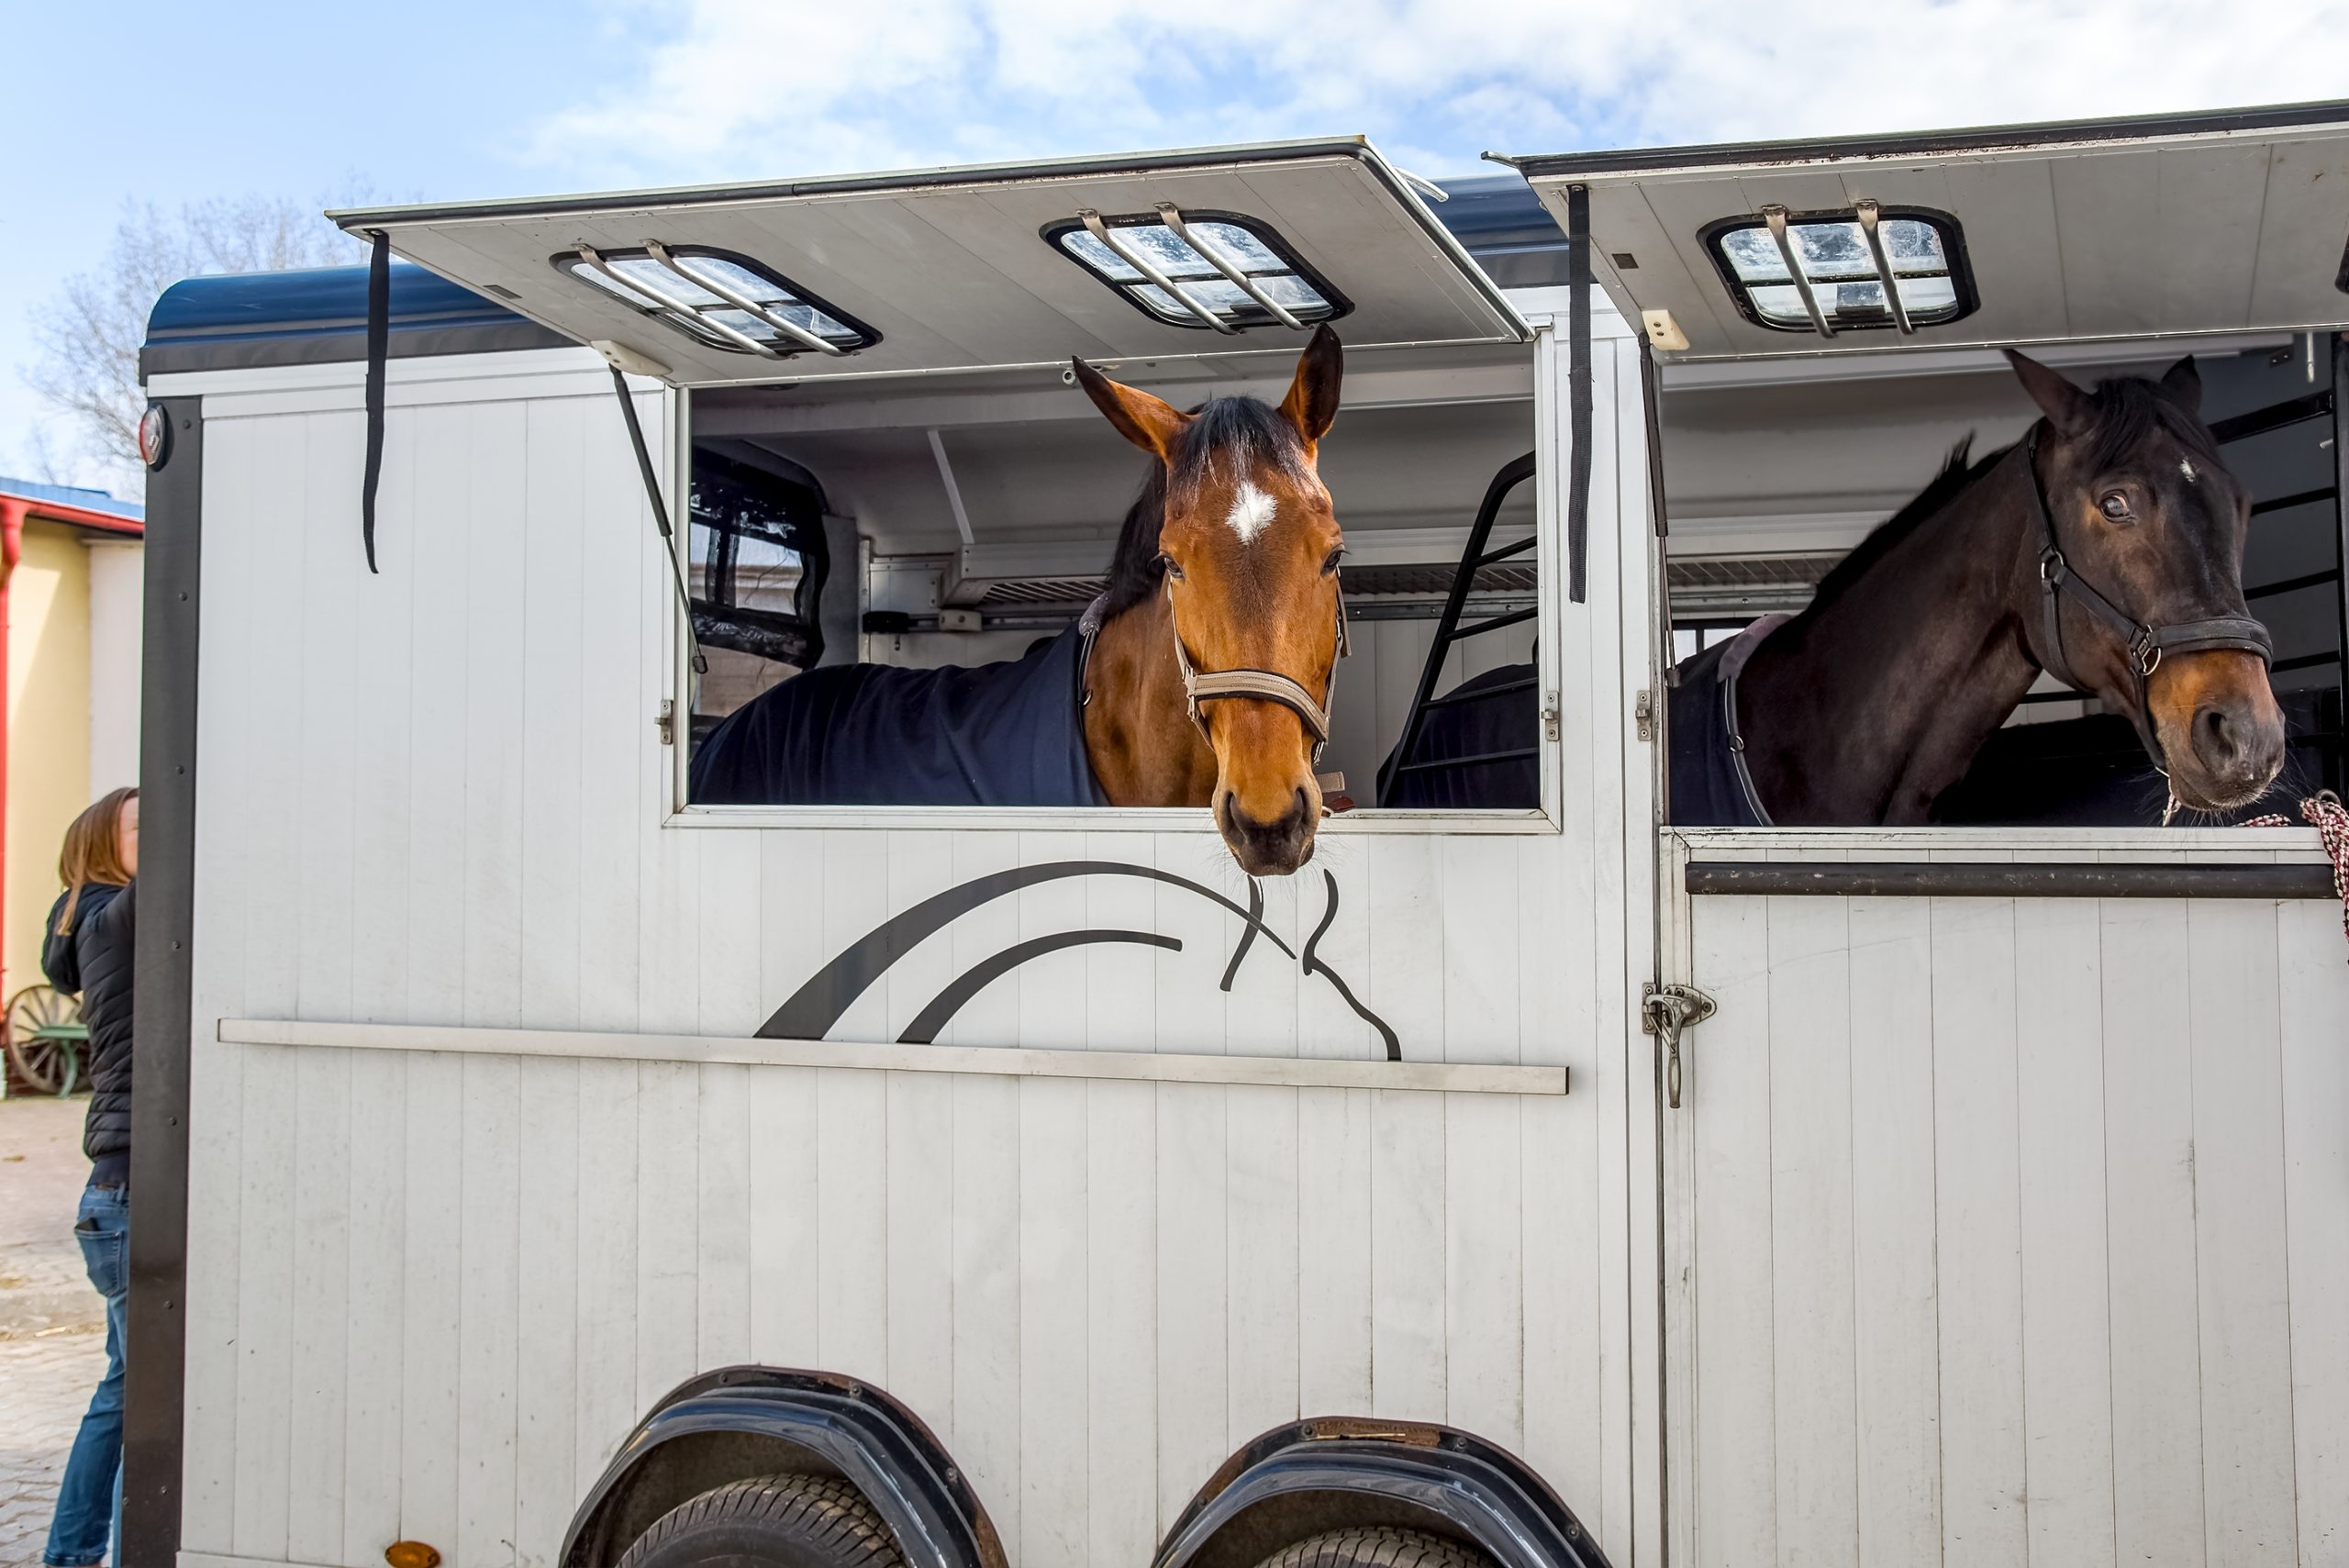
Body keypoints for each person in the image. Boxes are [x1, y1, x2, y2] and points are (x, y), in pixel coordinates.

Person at [41, 787, 138, 1568]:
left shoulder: (100, 923)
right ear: (106, 844)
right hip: (131, 1191)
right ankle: (82, 1555)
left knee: (121, 1387)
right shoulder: (114, 920)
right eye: (148, 823)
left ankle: (71, 1553)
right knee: (136, 1396)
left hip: (113, 1191)